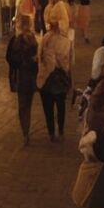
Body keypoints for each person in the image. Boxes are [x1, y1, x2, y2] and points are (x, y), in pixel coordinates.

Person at [7, 15, 39, 145]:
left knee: (22, 106)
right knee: (28, 105)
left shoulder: (17, 40)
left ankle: (25, 131)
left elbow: (10, 58)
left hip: (21, 76)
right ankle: (27, 129)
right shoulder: (33, 39)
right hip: (31, 76)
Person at [38, 19, 71, 142]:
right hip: (59, 79)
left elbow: (40, 59)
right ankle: (61, 129)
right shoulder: (65, 42)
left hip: (46, 79)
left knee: (48, 108)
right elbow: (66, 63)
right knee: (61, 106)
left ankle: (51, 131)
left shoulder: (44, 40)